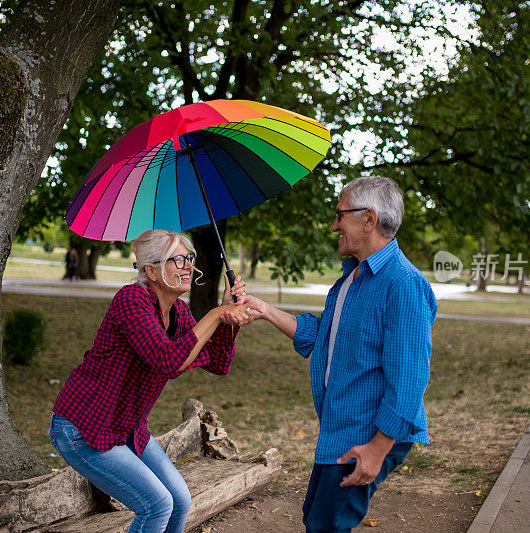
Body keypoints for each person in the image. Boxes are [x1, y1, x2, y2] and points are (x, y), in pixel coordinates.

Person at [242, 177, 437, 533]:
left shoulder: (403, 284)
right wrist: (266, 310)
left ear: (369, 219)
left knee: (327, 524)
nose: (334, 225)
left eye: (340, 215)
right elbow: (325, 337)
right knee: (317, 518)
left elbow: (409, 379)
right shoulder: (352, 278)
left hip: (369, 432)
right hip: (341, 425)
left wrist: (378, 450)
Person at [49, 229, 252, 533]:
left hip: (126, 429)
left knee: (180, 501)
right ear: (152, 270)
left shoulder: (179, 313)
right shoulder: (130, 300)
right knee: (156, 505)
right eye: (178, 259)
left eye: (189, 258)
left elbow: (219, 363)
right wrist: (215, 314)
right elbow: (167, 361)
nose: (187, 265)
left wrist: (226, 320)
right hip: (83, 430)